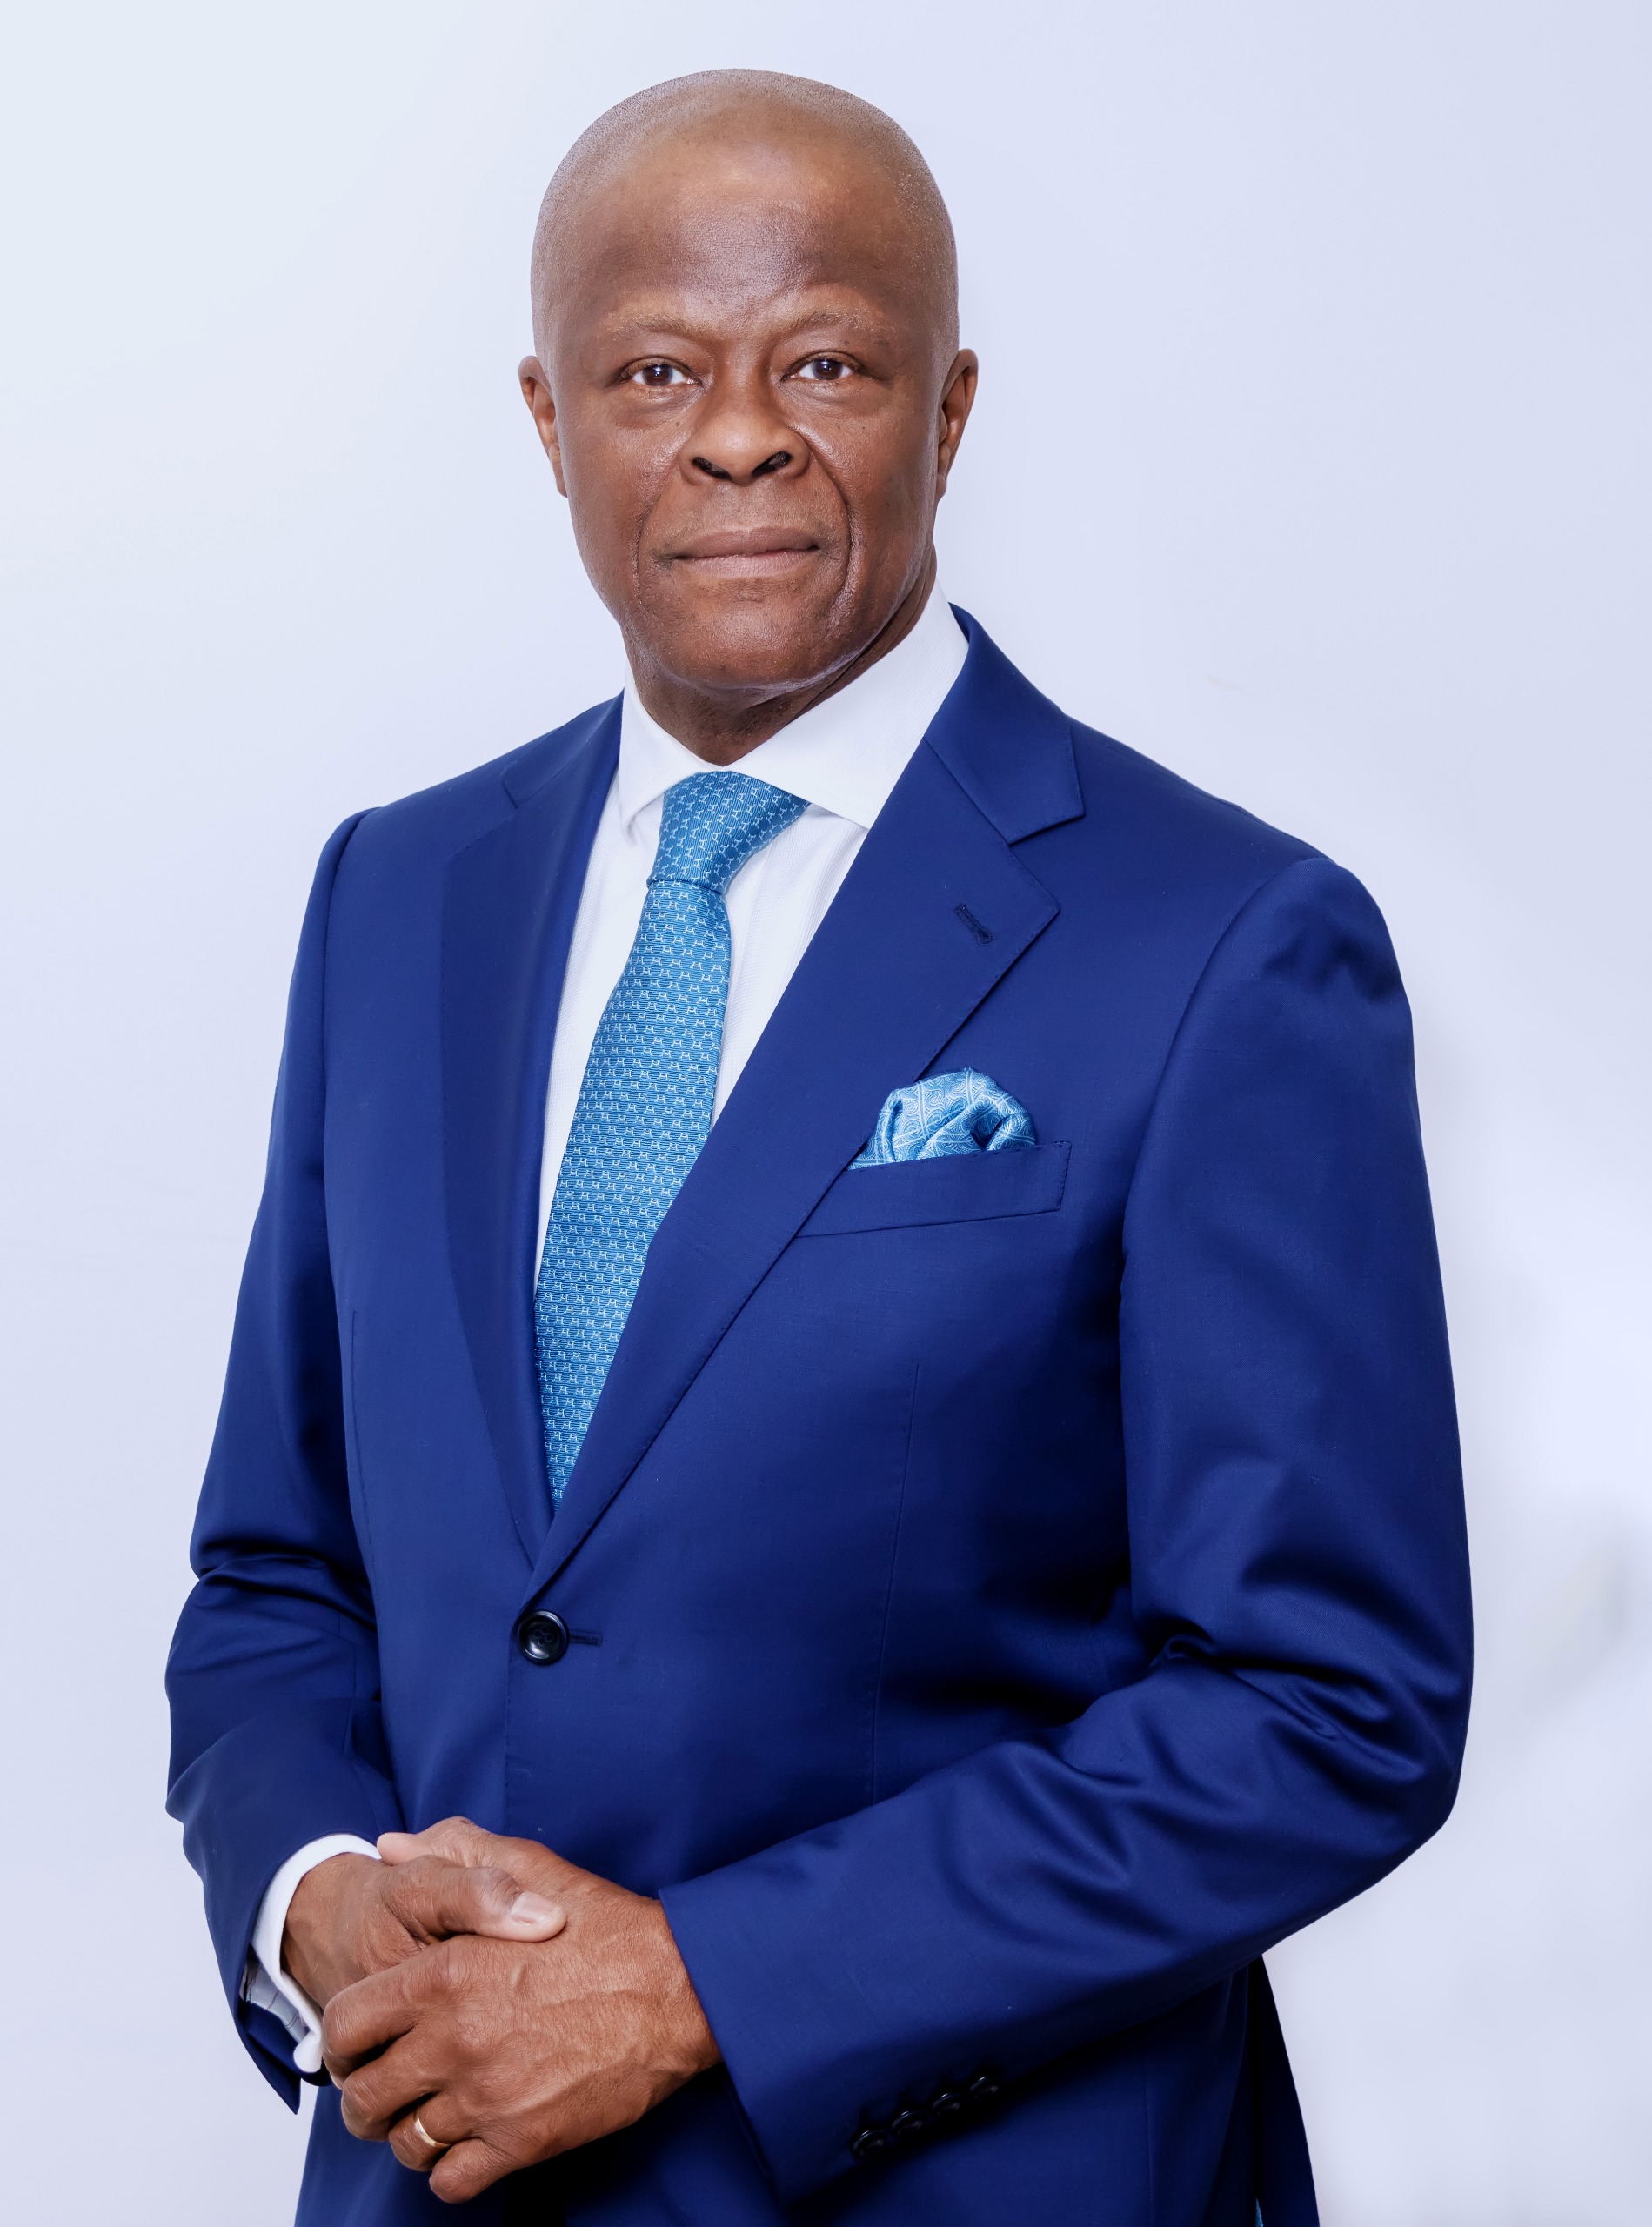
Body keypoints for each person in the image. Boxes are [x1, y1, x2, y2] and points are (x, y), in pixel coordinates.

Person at [166, 68, 1472, 2227]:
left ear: (946, 412)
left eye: (827, 364)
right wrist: (309, 1887)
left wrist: (700, 1983)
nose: (738, 436)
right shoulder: (398, 894)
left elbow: (1325, 1701)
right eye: (653, 371)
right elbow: (280, 1568)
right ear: (548, 418)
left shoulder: (1222, 940)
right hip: (438, 2184)